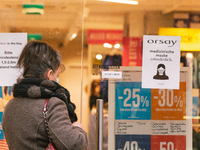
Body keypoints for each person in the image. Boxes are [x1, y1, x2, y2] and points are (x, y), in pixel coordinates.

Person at [2, 41, 88, 150]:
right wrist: (78, 129)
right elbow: (75, 144)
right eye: (57, 75)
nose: (57, 80)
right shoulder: (52, 104)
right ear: (49, 74)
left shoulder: (11, 105)